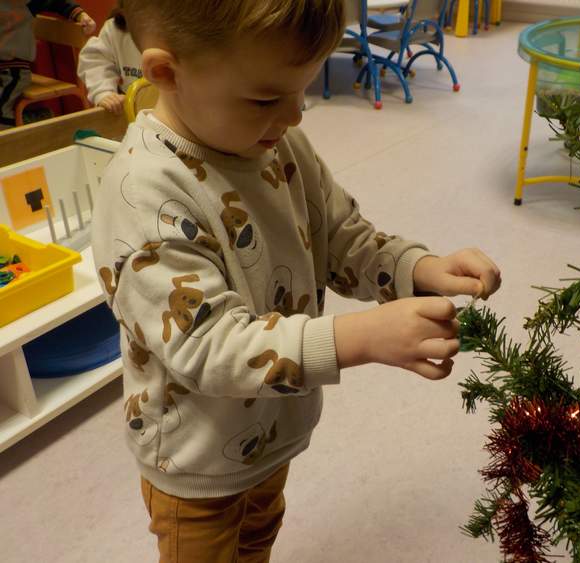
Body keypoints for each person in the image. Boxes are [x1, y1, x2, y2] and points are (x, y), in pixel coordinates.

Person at [91, 1, 502, 561]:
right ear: (166, 72)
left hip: (269, 431)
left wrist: (418, 268)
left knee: (259, 535)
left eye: (302, 89)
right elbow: (208, 346)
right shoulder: (143, 195)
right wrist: (360, 337)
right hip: (196, 462)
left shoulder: (274, 138)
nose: (295, 115)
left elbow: (341, 236)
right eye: (266, 98)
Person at [0, 0, 95, 129]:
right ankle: (28, 120)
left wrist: (80, 15)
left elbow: (57, 2)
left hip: (12, 69)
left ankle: (11, 137)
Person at [77, 0, 141, 115]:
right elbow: (96, 61)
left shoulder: (173, 28)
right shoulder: (116, 27)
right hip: (136, 107)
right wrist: (104, 93)